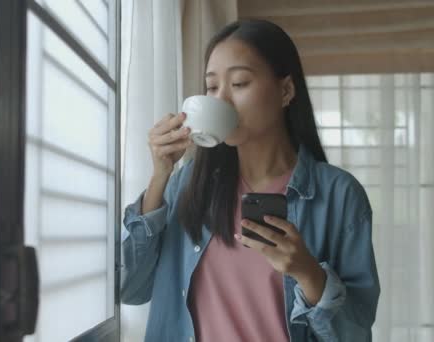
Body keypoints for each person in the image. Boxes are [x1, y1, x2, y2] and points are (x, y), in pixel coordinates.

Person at [120, 19, 380, 342]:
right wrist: (160, 177)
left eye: (240, 83)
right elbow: (129, 287)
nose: (221, 100)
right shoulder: (187, 184)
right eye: (212, 87)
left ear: (285, 90)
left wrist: (308, 273)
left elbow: (355, 334)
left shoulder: (339, 195)